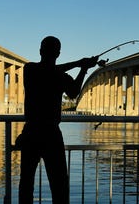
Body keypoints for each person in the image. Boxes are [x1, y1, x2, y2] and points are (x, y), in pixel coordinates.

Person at [18, 36, 98, 204]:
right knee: (59, 184)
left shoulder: (29, 70)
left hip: (31, 132)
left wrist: (79, 64)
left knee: (26, 183)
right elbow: (74, 92)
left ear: (40, 51)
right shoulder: (60, 76)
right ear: (59, 54)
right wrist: (83, 68)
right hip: (51, 133)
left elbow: (47, 69)